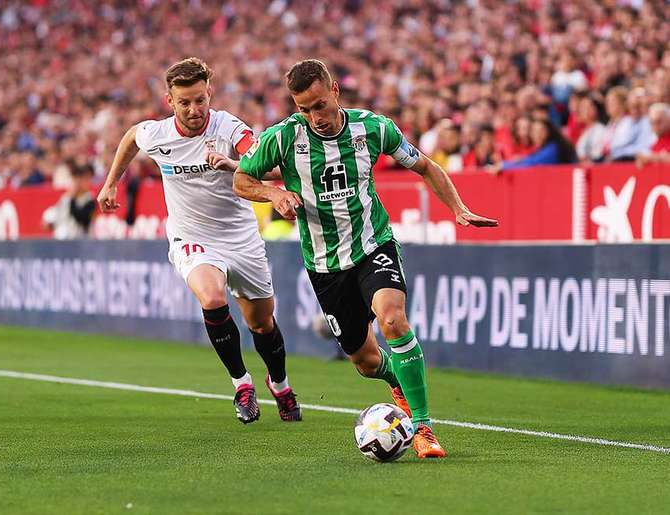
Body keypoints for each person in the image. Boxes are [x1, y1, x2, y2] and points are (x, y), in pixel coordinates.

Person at [233, 59, 498, 458]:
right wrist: (275, 194)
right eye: (303, 109)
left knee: (393, 318)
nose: (314, 117)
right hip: (325, 265)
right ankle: (396, 382)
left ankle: (423, 428)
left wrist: (457, 208)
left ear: (335, 90)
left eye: (319, 105)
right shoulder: (282, 138)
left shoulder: (373, 128)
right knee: (366, 361)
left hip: (373, 245)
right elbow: (241, 179)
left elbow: (425, 166)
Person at [96, 58, 300, 424]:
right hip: (192, 236)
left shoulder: (229, 128)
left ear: (210, 94)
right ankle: (242, 385)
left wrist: (237, 167)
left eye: (200, 100)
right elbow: (130, 137)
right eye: (185, 102)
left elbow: (264, 161)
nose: (194, 109)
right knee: (212, 296)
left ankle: (281, 386)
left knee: (261, 324)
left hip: (240, 237)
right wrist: (111, 182)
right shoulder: (157, 135)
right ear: (169, 102)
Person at [42, 161, 97, 239]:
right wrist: (49, 222)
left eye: (85, 179)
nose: (79, 182)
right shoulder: (66, 198)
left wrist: (73, 198)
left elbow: (81, 218)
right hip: (62, 241)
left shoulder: (90, 199)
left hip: (80, 242)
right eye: (77, 179)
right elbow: (59, 216)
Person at [500, 118, 578, 170]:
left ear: (549, 131)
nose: (537, 134)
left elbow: (531, 164)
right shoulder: (544, 148)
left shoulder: (553, 148)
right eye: (534, 131)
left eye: (541, 130)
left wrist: (504, 165)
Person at [636, 103, 670, 168]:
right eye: (652, 123)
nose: (655, 126)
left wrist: (653, 158)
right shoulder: (656, 142)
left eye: (659, 121)